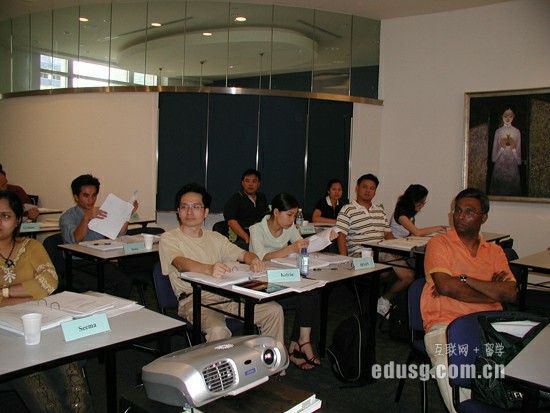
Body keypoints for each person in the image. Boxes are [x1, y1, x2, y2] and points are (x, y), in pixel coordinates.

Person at [420, 188, 517, 413]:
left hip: (490, 326)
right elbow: (447, 287)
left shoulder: (495, 251)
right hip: (446, 323)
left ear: (484, 217)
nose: (461, 216)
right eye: (458, 211)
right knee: (450, 369)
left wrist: (465, 279)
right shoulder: (439, 244)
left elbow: (510, 293)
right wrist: (491, 291)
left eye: (469, 212)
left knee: (522, 372)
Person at [0, 190, 94, 413]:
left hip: (43, 325)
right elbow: (40, 290)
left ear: (17, 220)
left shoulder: (31, 247)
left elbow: (49, 282)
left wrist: (4, 293)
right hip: (6, 339)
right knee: (45, 399)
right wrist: (30, 295)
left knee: (75, 392)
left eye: (5, 216)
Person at [159, 183, 284, 344]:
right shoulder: (169, 238)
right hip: (194, 299)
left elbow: (243, 254)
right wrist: (208, 269)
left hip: (225, 295)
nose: (189, 212)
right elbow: (180, 263)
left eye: (196, 207)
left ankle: (271, 359)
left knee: (273, 310)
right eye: (184, 207)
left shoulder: (215, 238)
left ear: (205, 212)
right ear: (178, 211)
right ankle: (220, 362)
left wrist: (254, 260)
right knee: (218, 330)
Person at [249, 193, 335, 370]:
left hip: (283, 277)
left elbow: (303, 245)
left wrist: (322, 240)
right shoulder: (256, 229)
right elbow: (261, 257)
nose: (292, 220)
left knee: (311, 291)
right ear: (276, 212)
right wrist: (290, 249)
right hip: (262, 283)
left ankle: (301, 342)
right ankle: (298, 346)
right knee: (308, 296)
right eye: (289, 215)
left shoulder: (288, 227)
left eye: (295, 215)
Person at [336, 174, 415, 318]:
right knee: (388, 264)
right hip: (360, 255)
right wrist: (344, 260)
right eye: (365, 187)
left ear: (375, 191)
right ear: (357, 188)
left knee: (409, 276)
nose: (368, 191)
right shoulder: (347, 209)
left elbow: (388, 235)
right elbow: (341, 236)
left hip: (382, 254)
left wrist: (395, 249)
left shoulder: (379, 210)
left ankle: (384, 300)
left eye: (372, 188)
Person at [59, 174, 135, 298]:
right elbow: (76, 238)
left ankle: (117, 308)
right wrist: (86, 218)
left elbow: (118, 233)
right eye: (86, 195)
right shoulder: (67, 217)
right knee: (99, 286)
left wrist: (127, 214)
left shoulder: (100, 213)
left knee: (124, 280)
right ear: (76, 197)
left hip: (98, 261)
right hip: (76, 264)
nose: (91, 200)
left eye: (94, 195)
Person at [223, 169, 269, 249]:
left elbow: (267, 217)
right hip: (242, 234)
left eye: (254, 181)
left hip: (259, 233)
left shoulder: (262, 197)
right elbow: (231, 221)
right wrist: (246, 237)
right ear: (243, 183)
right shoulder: (235, 198)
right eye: (247, 181)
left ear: (258, 184)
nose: (250, 184)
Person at [489, 106, 522, 196]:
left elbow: (519, 161)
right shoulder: (498, 132)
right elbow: (493, 159)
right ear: (502, 116)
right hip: (499, 170)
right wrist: (502, 148)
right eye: (505, 116)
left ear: (513, 117)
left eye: (510, 116)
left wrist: (513, 148)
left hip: (513, 171)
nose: (508, 119)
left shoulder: (517, 132)